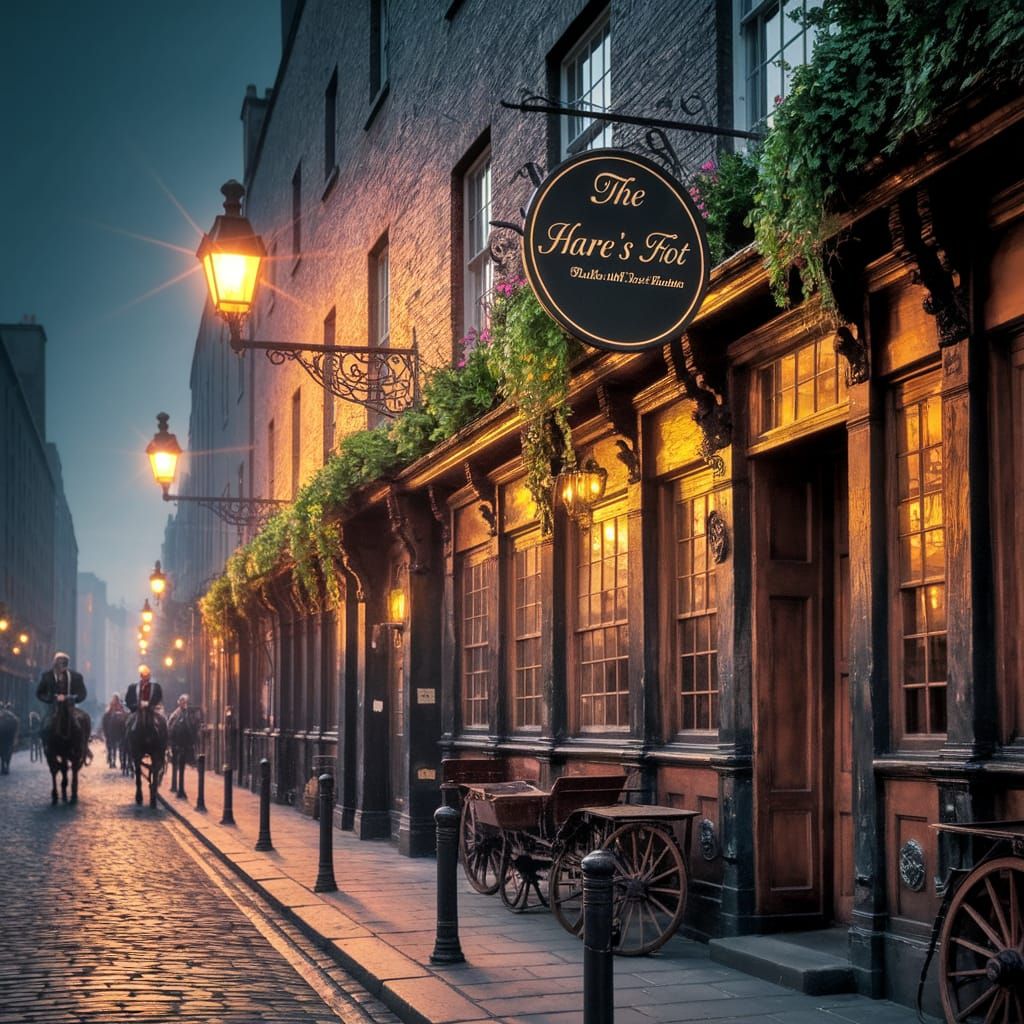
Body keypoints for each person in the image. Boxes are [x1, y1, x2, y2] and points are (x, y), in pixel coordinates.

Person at [36, 652, 89, 763]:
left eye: (64, 662)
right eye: (59, 662)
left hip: (70, 708)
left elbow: (82, 693)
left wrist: (72, 698)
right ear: (55, 663)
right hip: (53, 708)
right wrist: (52, 698)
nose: (61, 664)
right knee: (45, 726)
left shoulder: (76, 677)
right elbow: (39, 693)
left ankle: (83, 746)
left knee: (82, 722)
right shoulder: (47, 676)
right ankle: (47, 746)